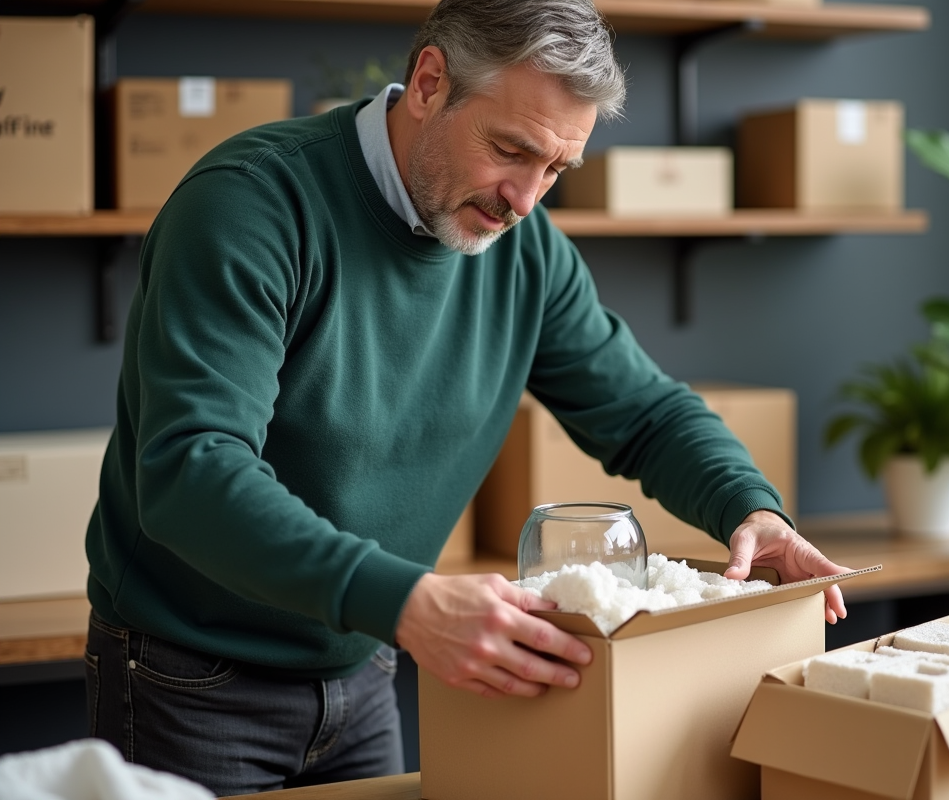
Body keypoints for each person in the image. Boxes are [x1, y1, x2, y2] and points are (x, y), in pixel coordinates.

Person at [83, 0, 852, 794]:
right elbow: (191, 470)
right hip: (191, 678)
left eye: (556, 170)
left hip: (368, 662)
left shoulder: (525, 253)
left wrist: (750, 508)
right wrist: (408, 601)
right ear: (427, 82)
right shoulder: (250, 204)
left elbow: (646, 412)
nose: (524, 198)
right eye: (511, 150)